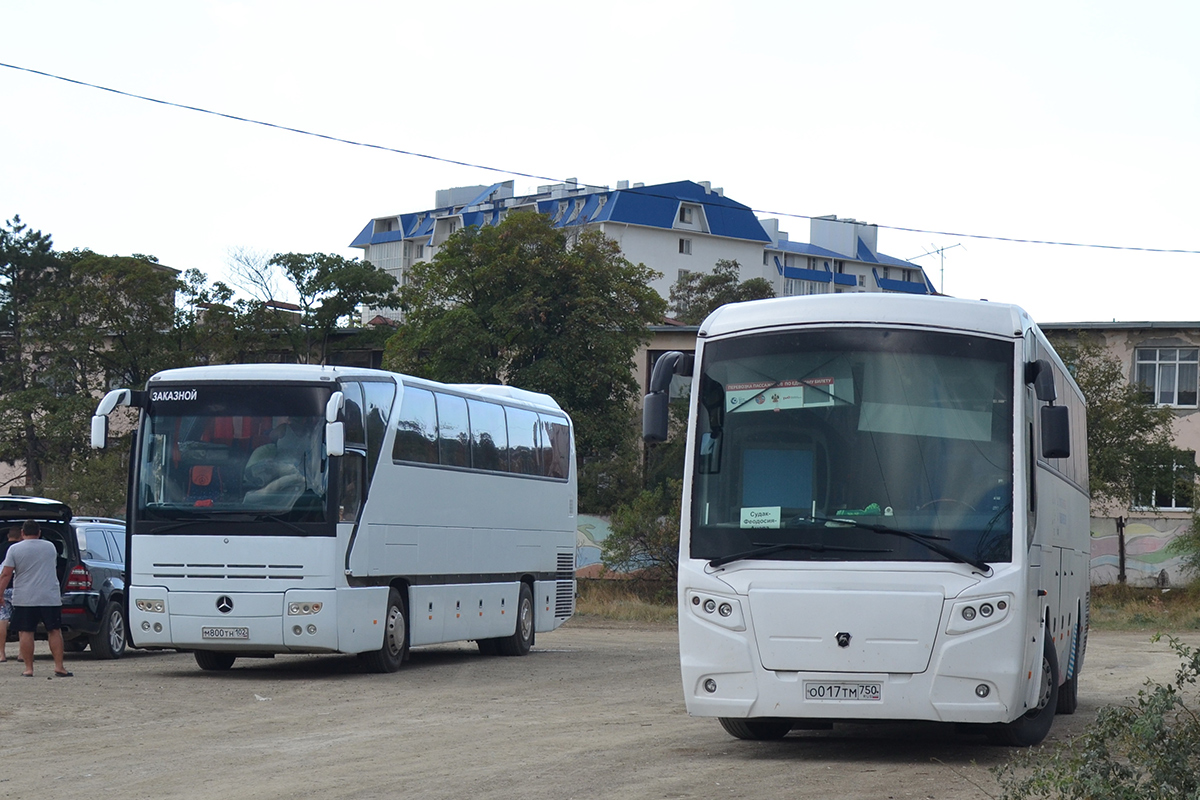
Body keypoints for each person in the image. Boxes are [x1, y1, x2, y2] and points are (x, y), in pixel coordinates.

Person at [0, 520, 70, 677]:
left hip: (25, 597)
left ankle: (28, 669)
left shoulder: (14, 549)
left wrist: (0, 593)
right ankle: (59, 666)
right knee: (54, 630)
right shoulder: (50, 547)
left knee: (26, 631)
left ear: (22, 533)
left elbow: (6, 574)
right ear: (39, 533)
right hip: (49, 596)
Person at [0, 526, 20, 662]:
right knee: (21, 620)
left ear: (8, 536)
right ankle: (22, 653)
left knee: (2, 620)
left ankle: (1, 653)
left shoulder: (1, 548)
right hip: (19, 588)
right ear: (21, 536)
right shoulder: (21, 549)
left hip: (3, 587)